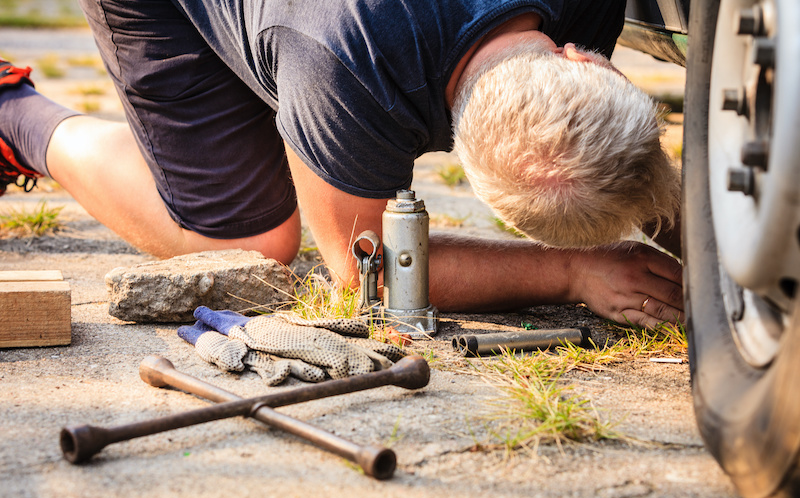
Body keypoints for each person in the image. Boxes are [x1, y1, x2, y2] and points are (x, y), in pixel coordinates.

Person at [0, 0, 684, 329]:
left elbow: (599, 154)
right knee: (255, 245)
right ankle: (15, 115)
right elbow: (369, 271)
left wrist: (717, 243)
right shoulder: (349, 65)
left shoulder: (584, 8)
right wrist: (570, 270)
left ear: (578, 58)